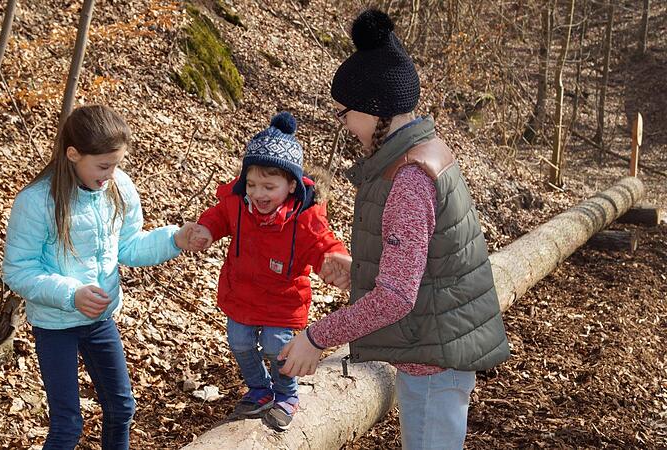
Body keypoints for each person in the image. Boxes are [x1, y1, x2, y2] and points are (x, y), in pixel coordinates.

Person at [278, 10, 510, 449]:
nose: (344, 123)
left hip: (434, 368)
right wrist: (360, 269)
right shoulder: (425, 151)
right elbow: (420, 261)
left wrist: (315, 338)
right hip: (433, 357)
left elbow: (397, 297)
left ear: (373, 109)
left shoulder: (408, 179)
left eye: (345, 112)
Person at [2, 105, 195, 449]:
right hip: (55, 324)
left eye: (116, 164)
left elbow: (129, 247)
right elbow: (19, 270)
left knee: (121, 409)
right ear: (73, 154)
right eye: (104, 166)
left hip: (99, 320)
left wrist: (174, 239)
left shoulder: (118, 187)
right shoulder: (36, 201)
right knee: (67, 426)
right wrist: (72, 294)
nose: (111, 174)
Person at [188, 111, 349, 431]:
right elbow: (219, 216)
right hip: (242, 292)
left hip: (283, 300)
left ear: (291, 185)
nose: (258, 193)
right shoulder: (238, 203)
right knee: (239, 341)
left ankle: (286, 394)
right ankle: (259, 389)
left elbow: (322, 244)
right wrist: (206, 230)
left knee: (277, 347)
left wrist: (336, 260)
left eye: (269, 186)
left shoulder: (304, 218)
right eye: (251, 184)